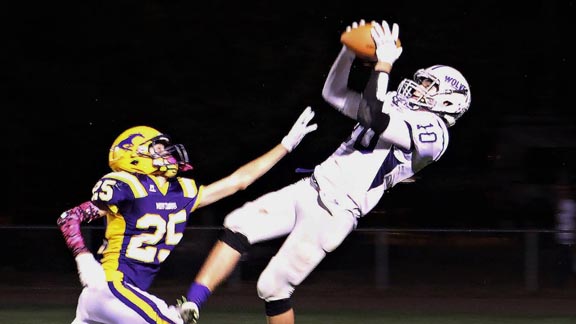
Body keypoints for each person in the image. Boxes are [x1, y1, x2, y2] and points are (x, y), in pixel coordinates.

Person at [181, 19, 471, 324]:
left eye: (430, 86)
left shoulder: (435, 133)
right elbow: (333, 93)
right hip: (312, 186)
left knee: (272, 287)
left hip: (337, 210)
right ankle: (190, 307)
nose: (420, 87)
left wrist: (383, 63)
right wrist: (347, 51)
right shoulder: (396, 106)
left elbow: (373, 115)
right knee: (239, 222)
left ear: (449, 101)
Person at [56, 106, 317, 324]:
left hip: (122, 298)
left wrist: (285, 146)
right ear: (134, 156)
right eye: (157, 149)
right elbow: (70, 218)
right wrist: (83, 257)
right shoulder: (127, 184)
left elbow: (239, 181)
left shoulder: (180, 192)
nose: (166, 153)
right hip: (110, 289)